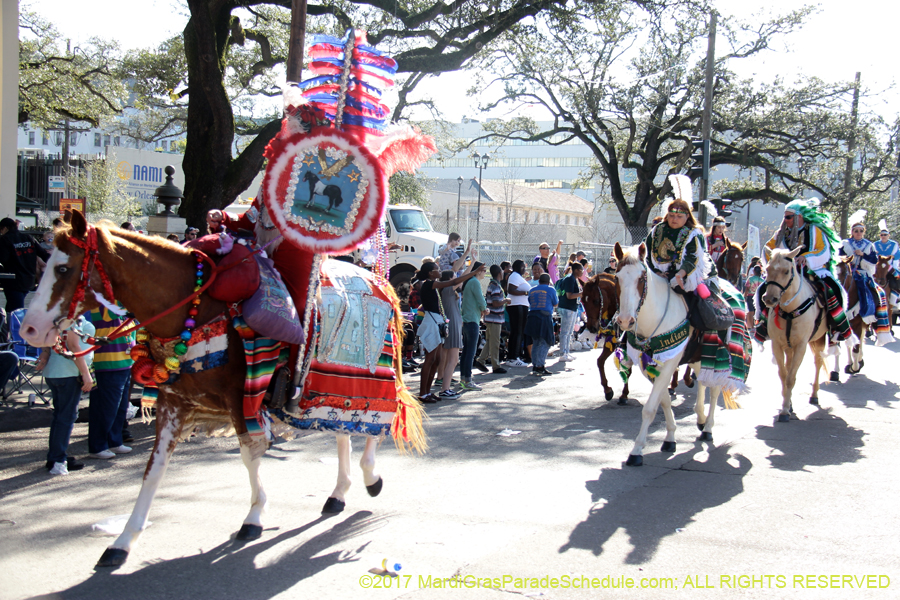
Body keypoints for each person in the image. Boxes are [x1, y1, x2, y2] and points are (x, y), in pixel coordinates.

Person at [759, 198, 851, 343]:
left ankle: (836, 328)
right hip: (785, 273)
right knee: (762, 290)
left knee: (833, 289)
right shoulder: (781, 233)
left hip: (811, 270)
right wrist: (775, 264)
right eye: (785, 217)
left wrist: (806, 258)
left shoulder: (815, 230)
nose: (786, 220)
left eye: (789, 217)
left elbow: (824, 251)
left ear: (799, 217)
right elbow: (767, 250)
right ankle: (763, 326)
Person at [35, 315, 95, 475]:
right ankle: (58, 460)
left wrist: (46, 354)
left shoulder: (55, 315)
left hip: (54, 372)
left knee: (60, 416)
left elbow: (47, 341)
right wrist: (85, 373)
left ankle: (55, 456)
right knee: (66, 417)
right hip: (67, 372)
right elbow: (74, 346)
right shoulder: (72, 317)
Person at [415, 261, 482, 403]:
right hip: (431, 322)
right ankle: (422, 393)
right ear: (430, 273)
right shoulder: (430, 284)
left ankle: (428, 391)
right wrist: (474, 272)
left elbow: (455, 276)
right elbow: (456, 280)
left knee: (437, 360)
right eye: (436, 269)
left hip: (438, 321)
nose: (439, 271)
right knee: (430, 359)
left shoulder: (435, 285)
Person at [85, 307, 135, 459]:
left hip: (125, 363)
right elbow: (111, 314)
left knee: (120, 407)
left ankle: (114, 440)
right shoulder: (104, 302)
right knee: (105, 408)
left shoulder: (124, 308)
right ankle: (97, 446)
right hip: (108, 364)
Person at [838, 218, 886, 328]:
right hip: (847, 272)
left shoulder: (869, 245)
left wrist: (863, 255)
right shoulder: (845, 244)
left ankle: (874, 319)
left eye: (861, 231)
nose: (858, 233)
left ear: (863, 232)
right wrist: (848, 259)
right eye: (856, 231)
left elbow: (874, 260)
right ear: (852, 232)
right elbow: (838, 256)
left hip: (863, 273)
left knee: (879, 293)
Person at [0, 217, 50, 311]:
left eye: (1, 230)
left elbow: (3, 259)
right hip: (29, 279)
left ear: (5, 228)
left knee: (16, 309)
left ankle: (15, 324)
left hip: (13, 279)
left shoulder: (5, 239)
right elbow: (43, 254)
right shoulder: (28, 237)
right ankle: (7, 324)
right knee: (12, 305)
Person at [459, 261, 488, 391]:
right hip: (472, 321)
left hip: (468, 320)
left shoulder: (469, 282)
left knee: (466, 351)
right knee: (470, 352)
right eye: (484, 269)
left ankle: (464, 378)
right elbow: (481, 299)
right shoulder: (474, 282)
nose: (485, 272)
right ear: (478, 270)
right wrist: (485, 309)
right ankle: (468, 380)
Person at [524, 273, 558, 376]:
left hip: (532, 317)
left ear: (539, 281)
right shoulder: (551, 289)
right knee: (545, 341)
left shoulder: (532, 290)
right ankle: (540, 366)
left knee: (536, 342)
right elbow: (555, 303)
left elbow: (530, 301)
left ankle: (535, 366)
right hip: (544, 317)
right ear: (548, 282)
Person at [478, 265, 509, 374]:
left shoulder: (493, 285)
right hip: (495, 318)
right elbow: (495, 303)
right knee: (495, 342)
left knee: (490, 340)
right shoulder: (495, 286)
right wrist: (505, 301)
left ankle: (481, 360)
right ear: (500, 273)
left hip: (491, 318)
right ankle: (496, 365)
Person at [504, 260, 530, 368]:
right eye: (522, 267)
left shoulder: (517, 276)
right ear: (517, 267)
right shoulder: (514, 275)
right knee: (518, 332)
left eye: (524, 267)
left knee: (516, 332)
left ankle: (513, 357)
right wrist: (526, 293)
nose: (524, 269)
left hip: (520, 306)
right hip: (517, 306)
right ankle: (514, 358)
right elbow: (511, 290)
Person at [557, 261, 584, 361]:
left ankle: (566, 352)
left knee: (569, 332)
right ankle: (562, 353)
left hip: (572, 308)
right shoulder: (569, 279)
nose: (582, 272)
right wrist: (581, 293)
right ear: (576, 270)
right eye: (581, 270)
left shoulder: (574, 279)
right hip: (567, 308)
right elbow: (569, 295)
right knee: (565, 332)